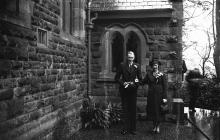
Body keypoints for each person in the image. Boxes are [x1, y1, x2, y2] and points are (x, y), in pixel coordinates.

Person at [114, 51, 142, 135]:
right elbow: (117, 78)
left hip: (133, 91)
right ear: (127, 57)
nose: (130, 59)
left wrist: (135, 84)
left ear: (134, 57)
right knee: (125, 110)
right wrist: (123, 83)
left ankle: (133, 129)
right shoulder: (122, 65)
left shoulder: (137, 66)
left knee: (133, 110)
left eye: (132, 57)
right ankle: (125, 128)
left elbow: (140, 79)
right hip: (124, 91)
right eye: (129, 57)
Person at [142, 59, 167, 134]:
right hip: (151, 95)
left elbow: (165, 86)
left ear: (158, 66)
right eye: (153, 65)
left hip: (159, 95)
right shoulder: (149, 74)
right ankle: (154, 126)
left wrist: (164, 97)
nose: (155, 66)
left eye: (156, 65)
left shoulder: (162, 74)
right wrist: (136, 80)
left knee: (158, 111)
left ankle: (158, 126)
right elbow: (143, 82)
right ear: (152, 66)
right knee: (153, 111)